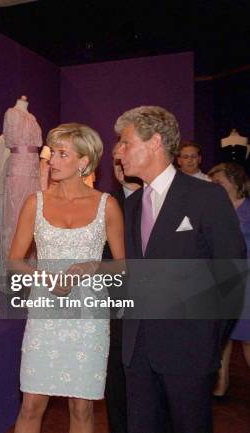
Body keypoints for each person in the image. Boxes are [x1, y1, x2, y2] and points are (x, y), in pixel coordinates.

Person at [116, 106, 246, 433]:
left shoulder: (207, 197)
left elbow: (231, 274)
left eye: (126, 142)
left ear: (155, 142)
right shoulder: (129, 206)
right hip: (138, 352)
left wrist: (208, 339)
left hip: (189, 350)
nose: (118, 151)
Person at [10, 123, 125, 433]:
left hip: (89, 316)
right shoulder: (35, 202)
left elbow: (122, 266)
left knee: (82, 407)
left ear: (83, 161)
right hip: (45, 312)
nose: (53, 161)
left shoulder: (107, 206)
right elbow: (14, 261)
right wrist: (45, 277)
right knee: (32, 403)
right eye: (52, 153)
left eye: (63, 154)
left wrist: (92, 267)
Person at [103, 142, 141, 433]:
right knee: (116, 380)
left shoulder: (159, 203)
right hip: (114, 306)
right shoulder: (102, 204)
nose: (121, 167)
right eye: (115, 164)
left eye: (123, 161)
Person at [207, 163, 250, 396]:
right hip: (222, 279)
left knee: (246, 337)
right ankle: (220, 385)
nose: (216, 188)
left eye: (219, 183)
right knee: (222, 335)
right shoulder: (215, 209)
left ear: (234, 183)